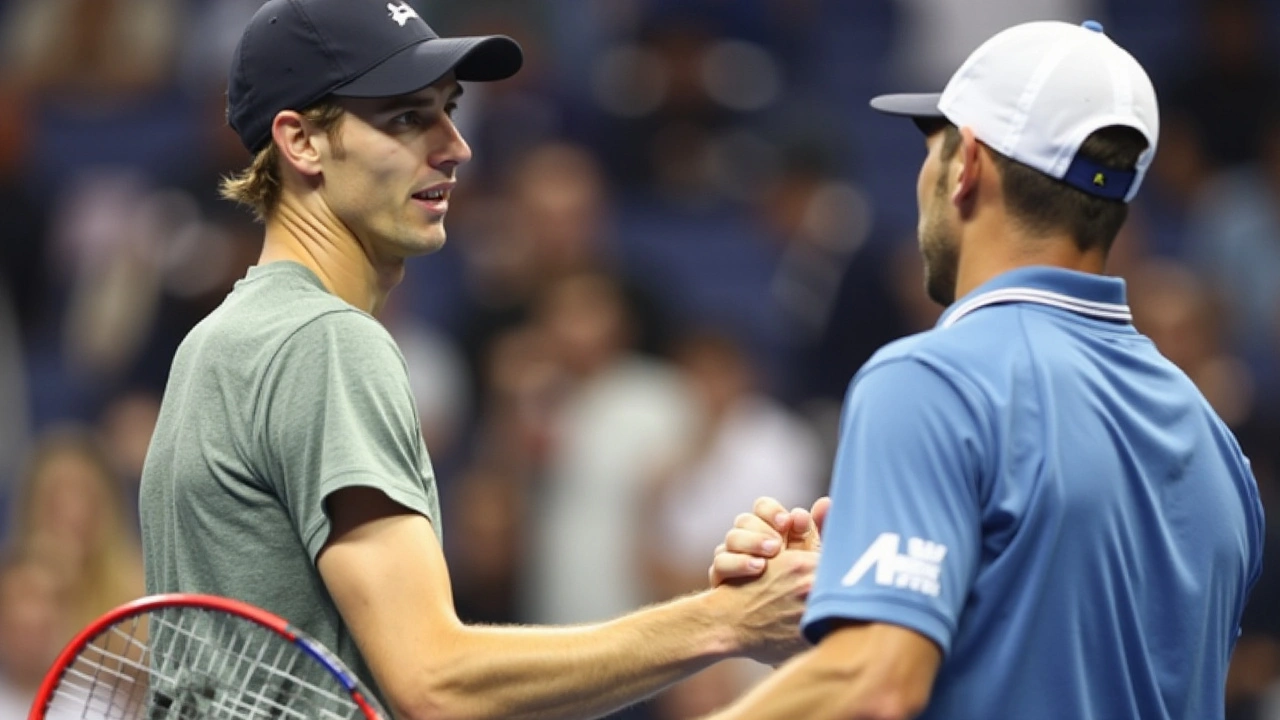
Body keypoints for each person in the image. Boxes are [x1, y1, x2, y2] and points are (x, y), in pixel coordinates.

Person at [137, 2, 819, 720]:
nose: (455, 146)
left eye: (449, 110)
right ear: (301, 141)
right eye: (406, 118)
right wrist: (723, 622)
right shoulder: (328, 342)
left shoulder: (216, 343)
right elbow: (437, 681)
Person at [703, 20, 1265, 720]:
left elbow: (876, 684)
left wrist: (862, 649)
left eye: (931, 146)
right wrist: (867, 592)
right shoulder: (1216, 442)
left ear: (965, 164)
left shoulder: (928, 381)